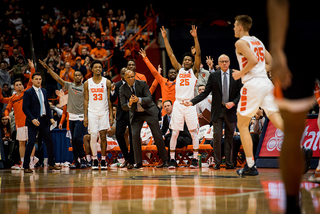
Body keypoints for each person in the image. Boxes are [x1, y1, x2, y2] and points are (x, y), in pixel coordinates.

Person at [268, 1, 320, 213]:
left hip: (298, 35)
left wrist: (277, 47)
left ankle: (292, 206)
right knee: (292, 129)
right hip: (300, 34)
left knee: (293, 129)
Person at [232, 15, 283, 176]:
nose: (233, 28)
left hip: (253, 84)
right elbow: (272, 63)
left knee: (242, 125)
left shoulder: (241, 42)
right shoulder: (258, 41)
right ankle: (299, 145)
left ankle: (250, 165)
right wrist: (260, 69)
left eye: (234, 25)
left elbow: (253, 60)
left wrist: (239, 73)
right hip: (267, 83)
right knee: (275, 117)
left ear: (240, 26)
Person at [185, 54, 242, 169]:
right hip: (217, 110)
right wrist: (192, 102)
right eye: (222, 61)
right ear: (219, 63)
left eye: (226, 61)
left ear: (229, 62)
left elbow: (240, 93)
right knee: (217, 137)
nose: (224, 63)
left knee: (230, 137)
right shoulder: (214, 76)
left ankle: (229, 163)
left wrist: (234, 103)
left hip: (230, 109)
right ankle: (217, 162)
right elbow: (205, 92)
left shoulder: (236, 75)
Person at [160, 25, 201, 168]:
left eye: (190, 60)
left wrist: (195, 37)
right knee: (175, 132)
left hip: (189, 104)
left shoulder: (194, 71)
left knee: (193, 131)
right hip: (177, 104)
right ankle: (172, 159)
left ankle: (195, 158)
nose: (187, 61)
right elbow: (171, 54)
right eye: (186, 60)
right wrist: (165, 39)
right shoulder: (179, 69)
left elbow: (199, 55)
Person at [39, 59, 87, 169]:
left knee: (76, 138)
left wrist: (87, 116)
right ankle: (76, 160)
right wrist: (48, 68)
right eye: (76, 75)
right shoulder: (69, 85)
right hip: (71, 117)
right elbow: (57, 78)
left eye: (80, 75)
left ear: (82, 77)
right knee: (72, 140)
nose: (78, 77)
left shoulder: (85, 87)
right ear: (73, 77)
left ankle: (83, 158)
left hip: (81, 116)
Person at [119, 69, 169, 169]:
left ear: (135, 76)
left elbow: (149, 98)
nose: (131, 79)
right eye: (128, 77)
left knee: (157, 136)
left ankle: (165, 160)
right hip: (136, 114)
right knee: (134, 136)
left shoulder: (142, 84)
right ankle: (138, 163)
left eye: (132, 76)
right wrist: (129, 103)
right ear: (124, 78)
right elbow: (123, 106)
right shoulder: (122, 89)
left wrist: (139, 99)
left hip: (149, 112)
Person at [0, 59, 37, 170]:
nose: (19, 86)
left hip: (29, 122)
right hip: (19, 124)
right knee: (21, 143)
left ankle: (31, 162)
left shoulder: (27, 92)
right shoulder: (12, 98)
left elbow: (31, 80)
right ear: (14, 87)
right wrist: (6, 115)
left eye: (21, 84)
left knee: (30, 142)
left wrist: (32, 67)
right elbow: (5, 105)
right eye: (17, 85)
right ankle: (23, 162)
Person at [22, 72, 61, 173]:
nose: (38, 81)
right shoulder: (28, 92)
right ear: (32, 80)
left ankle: (52, 164)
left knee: (49, 142)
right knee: (30, 143)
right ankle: (26, 166)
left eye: (40, 79)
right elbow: (25, 108)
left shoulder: (44, 91)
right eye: (36, 79)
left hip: (44, 120)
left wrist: (51, 118)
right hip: (33, 121)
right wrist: (32, 119)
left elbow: (47, 106)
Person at [83, 60, 113, 170]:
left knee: (103, 136)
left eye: (99, 67)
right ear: (92, 69)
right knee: (93, 135)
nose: (98, 69)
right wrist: (85, 116)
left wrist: (111, 115)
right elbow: (86, 100)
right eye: (95, 67)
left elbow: (109, 99)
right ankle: (95, 159)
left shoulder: (107, 82)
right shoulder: (87, 83)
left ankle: (104, 160)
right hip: (92, 112)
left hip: (104, 111)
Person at [110, 67, 134, 169]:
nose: (126, 74)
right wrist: (112, 91)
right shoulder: (117, 85)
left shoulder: (135, 83)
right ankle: (127, 157)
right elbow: (113, 99)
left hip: (133, 113)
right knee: (119, 135)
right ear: (121, 75)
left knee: (133, 137)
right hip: (121, 114)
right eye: (123, 73)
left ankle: (132, 160)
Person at [139, 48, 177, 113]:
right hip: (165, 110)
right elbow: (153, 71)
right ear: (168, 74)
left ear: (177, 74)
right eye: (171, 72)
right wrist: (145, 58)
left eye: (174, 72)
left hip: (177, 109)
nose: (173, 74)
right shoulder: (163, 81)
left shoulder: (179, 82)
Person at [161, 100, 192, 167]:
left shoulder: (178, 115)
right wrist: (160, 137)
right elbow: (163, 130)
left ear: (172, 106)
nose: (167, 108)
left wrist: (165, 136)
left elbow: (178, 130)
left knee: (170, 140)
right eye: (165, 106)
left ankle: (172, 161)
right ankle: (164, 161)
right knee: (160, 141)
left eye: (168, 106)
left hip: (184, 137)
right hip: (174, 137)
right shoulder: (165, 117)